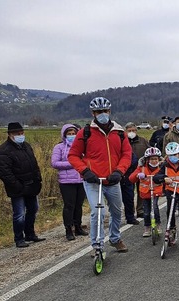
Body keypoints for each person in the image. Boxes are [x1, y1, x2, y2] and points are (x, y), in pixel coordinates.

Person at [68, 97, 132, 254]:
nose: (102, 114)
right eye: (98, 112)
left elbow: (126, 154)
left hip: (113, 180)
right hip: (93, 181)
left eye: (105, 111)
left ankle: (115, 238)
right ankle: (97, 244)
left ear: (109, 111)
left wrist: (119, 171)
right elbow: (73, 155)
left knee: (117, 211)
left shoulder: (120, 132)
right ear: (93, 113)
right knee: (98, 212)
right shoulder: (86, 132)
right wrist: (85, 171)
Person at [0, 122, 45, 248]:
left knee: (33, 209)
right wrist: (18, 186)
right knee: (19, 214)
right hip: (17, 188)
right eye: (17, 134)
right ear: (9, 135)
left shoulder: (26, 146)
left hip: (32, 185)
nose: (20, 135)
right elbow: (5, 173)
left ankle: (30, 233)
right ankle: (19, 238)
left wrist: (38, 179)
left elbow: (34, 164)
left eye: (21, 133)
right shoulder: (3, 151)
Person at [51, 124, 88, 241]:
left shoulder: (81, 147)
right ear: (64, 135)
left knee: (79, 205)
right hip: (66, 181)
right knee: (69, 206)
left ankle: (78, 226)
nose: (72, 136)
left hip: (81, 179)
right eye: (69, 134)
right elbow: (55, 163)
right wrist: (73, 163)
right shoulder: (59, 147)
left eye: (74, 133)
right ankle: (68, 229)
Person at [128, 147, 163, 237]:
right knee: (146, 212)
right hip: (144, 193)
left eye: (155, 159)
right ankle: (147, 227)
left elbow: (166, 177)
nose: (154, 161)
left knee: (154, 208)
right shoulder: (142, 168)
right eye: (151, 159)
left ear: (159, 159)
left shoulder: (161, 168)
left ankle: (158, 225)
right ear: (147, 160)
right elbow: (131, 178)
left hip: (155, 191)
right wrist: (138, 175)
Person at [124, 122, 148, 220]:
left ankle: (140, 209)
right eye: (129, 131)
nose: (132, 132)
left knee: (141, 190)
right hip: (127, 170)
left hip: (141, 169)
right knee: (129, 192)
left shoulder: (143, 141)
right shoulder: (123, 141)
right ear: (126, 131)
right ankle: (130, 211)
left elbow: (149, 152)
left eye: (133, 130)